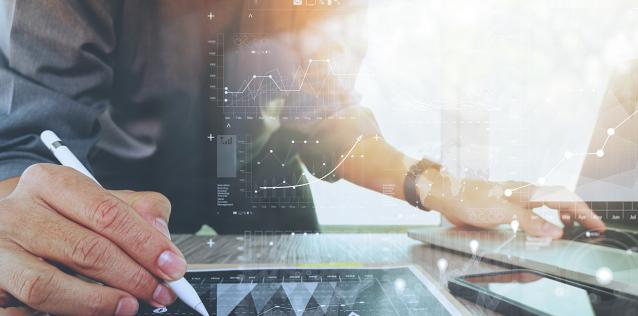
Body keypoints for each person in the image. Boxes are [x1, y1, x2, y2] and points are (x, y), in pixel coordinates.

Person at [0, 1, 605, 315]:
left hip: (266, 185)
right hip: (118, 200)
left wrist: (432, 182)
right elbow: (32, 143)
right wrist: (16, 211)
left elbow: (325, 122)